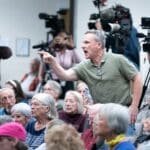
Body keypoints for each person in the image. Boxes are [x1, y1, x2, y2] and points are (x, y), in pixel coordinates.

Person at [38, 29, 142, 123]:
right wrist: (52, 62)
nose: (82, 46)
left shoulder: (118, 60)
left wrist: (134, 106)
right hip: (101, 115)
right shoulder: (84, 66)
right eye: (83, 43)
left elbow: (137, 78)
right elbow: (64, 75)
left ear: (99, 45)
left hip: (122, 113)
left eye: (86, 42)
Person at [39, 31, 82, 98]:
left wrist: (72, 46)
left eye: (65, 39)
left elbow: (79, 61)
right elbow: (43, 66)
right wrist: (41, 78)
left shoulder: (70, 51)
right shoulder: (52, 51)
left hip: (68, 80)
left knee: (68, 98)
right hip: (54, 80)